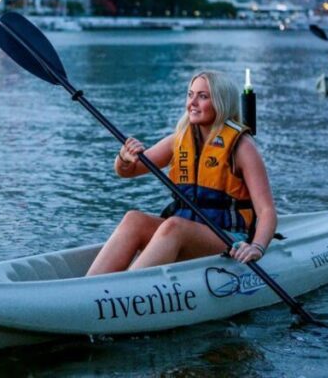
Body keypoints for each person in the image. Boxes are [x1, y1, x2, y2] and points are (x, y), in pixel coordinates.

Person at [86, 71, 276, 276]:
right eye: (190, 94)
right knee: (134, 220)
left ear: (221, 103)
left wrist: (256, 247)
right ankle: (90, 286)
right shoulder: (179, 140)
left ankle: (124, 290)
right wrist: (124, 157)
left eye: (203, 96)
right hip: (186, 230)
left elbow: (266, 211)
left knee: (174, 226)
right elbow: (128, 171)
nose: (192, 102)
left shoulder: (241, 146)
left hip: (228, 237)